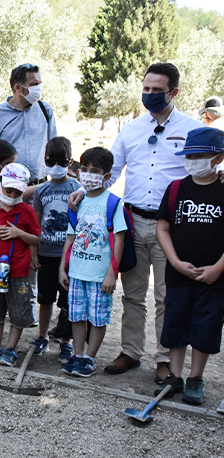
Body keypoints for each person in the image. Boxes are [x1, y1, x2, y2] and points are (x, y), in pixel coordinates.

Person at [71, 62, 203, 383]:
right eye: (146, 89)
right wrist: (82, 189)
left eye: (157, 90)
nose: (150, 94)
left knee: (165, 296)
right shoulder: (131, 130)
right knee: (132, 294)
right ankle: (130, 351)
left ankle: (163, 358)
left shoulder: (190, 129)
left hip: (171, 226)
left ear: (174, 92)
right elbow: (110, 171)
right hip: (131, 221)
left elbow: (202, 172)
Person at [155, 127, 224, 405]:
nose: (192, 161)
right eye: (189, 155)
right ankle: (175, 375)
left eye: (199, 156)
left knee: (205, 327)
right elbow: (163, 227)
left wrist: (218, 268)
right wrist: (174, 261)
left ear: (217, 158)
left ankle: (196, 377)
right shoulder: (176, 188)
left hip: (213, 278)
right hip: (179, 274)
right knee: (176, 323)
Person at [59, 147, 126, 378]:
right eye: (84, 169)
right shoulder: (77, 203)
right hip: (77, 271)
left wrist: (111, 273)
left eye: (95, 171)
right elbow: (71, 236)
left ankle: (90, 358)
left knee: (97, 317)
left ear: (107, 176)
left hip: (99, 275)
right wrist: (62, 268)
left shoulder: (113, 203)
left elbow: (119, 238)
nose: (88, 174)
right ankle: (77, 354)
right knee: (76, 315)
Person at [0, 163, 41, 366]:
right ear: (1, 185)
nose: (12, 195)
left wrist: (19, 233)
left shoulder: (27, 211)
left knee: (18, 311)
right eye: (8, 190)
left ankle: (10, 349)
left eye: (17, 192)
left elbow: (37, 239)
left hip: (18, 272)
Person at [30, 136, 78, 362]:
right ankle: (42, 336)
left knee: (67, 300)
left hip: (68, 257)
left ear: (70, 163)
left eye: (60, 163)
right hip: (47, 253)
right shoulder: (41, 190)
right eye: (49, 163)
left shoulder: (77, 188)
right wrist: (34, 252)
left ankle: (66, 341)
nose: (54, 168)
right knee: (45, 298)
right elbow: (36, 223)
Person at [0, 63, 57, 185]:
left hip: (40, 186)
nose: (38, 88)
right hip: (11, 188)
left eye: (39, 84)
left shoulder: (45, 110)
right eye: (34, 84)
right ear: (18, 88)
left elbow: (55, 146)